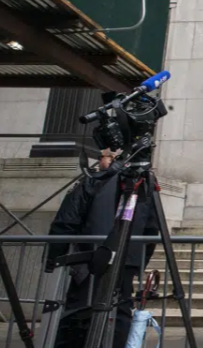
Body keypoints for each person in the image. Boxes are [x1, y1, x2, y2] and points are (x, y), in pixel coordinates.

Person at [46, 149, 159, 348]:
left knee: (79, 313)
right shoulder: (145, 188)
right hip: (122, 262)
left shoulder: (94, 182)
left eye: (103, 157)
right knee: (120, 313)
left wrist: (55, 257)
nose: (99, 161)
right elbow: (151, 231)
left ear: (115, 159)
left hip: (90, 259)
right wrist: (137, 262)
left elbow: (65, 222)